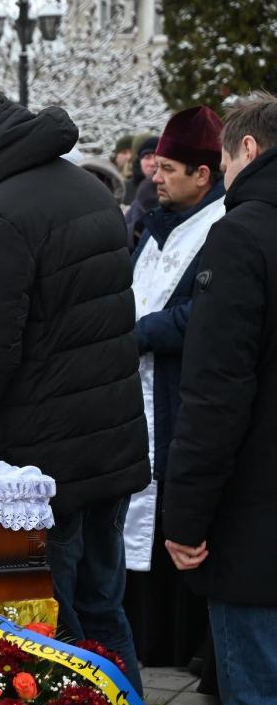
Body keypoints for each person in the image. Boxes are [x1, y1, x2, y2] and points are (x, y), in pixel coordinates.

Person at [0, 86, 149, 692]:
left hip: (40, 468)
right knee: (104, 612)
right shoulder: (84, 188)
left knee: (55, 632)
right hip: (106, 447)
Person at [163, 92, 277, 705]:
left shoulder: (240, 235)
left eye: (226, 161)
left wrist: (185, 515)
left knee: (259, 701)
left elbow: (215, 391)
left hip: (256, 518)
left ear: (249, 149)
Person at [122, 106, 225, 672]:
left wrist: (138, 333)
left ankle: (177, 642)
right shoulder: (156, 225)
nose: (154, 177)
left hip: (179, 397)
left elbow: (203, 314)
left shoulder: (222, 228)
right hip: (140, 396)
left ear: (202, 175)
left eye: (167, 169)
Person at [124, 135, 160, 246]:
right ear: (139, 161)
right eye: (147, 157)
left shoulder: (170, 190)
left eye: (156, 157)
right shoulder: (125, 188)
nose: (152, 163)